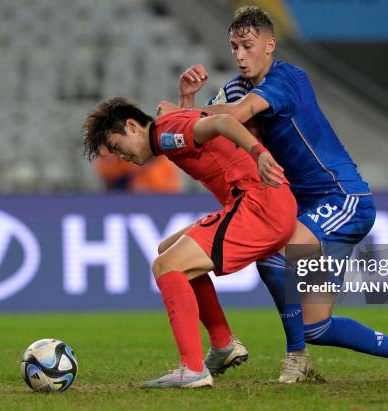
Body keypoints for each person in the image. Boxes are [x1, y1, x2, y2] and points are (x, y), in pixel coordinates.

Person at [167, 5, 388, 383]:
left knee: (273, 255)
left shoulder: (287, 78)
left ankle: (296, 358)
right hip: (307, 209)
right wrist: (186, 103)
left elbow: (232, 115)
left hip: (343, 200)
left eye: (248, 46)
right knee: (317, 325)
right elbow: (206, 136)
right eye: (234, 47)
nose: (240, 55)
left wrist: (191, 114)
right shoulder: (232, 89)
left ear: (270, 44)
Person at [82, 97, 296, 388]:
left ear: (132, 126)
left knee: (166, 266)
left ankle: (192, 369)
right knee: (167, 251)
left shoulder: (165, 136)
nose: (122, 158)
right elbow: (199, 129)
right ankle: (223, 343)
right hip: (256, 202)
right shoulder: (166, 133)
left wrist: (258, 153)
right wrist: (186, 102)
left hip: (260, 205)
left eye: (118, 147)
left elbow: (222, 122)